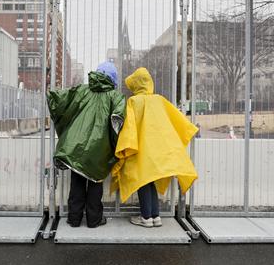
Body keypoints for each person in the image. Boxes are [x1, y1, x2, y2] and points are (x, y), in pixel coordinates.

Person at [111, 67, 198, 228]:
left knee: (143, 181)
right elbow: (175, 121)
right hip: (159, 151)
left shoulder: (133, 102)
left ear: (136, 85)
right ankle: (155, 216)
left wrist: (123, 147)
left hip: (141, 149)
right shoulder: (160, 100)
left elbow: (129, 128)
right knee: (151, 181)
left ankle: (145, 217)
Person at [47, 61, 125, 228]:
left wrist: (51, 93)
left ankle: (74, 219)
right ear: (113, 79)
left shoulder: (82, 90)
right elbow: (118, 119)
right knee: (96, 183)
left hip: (77, 147)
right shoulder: (115, 96)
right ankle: (94, 220)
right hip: (100, 149)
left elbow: (62, 102)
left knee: (77, 183)